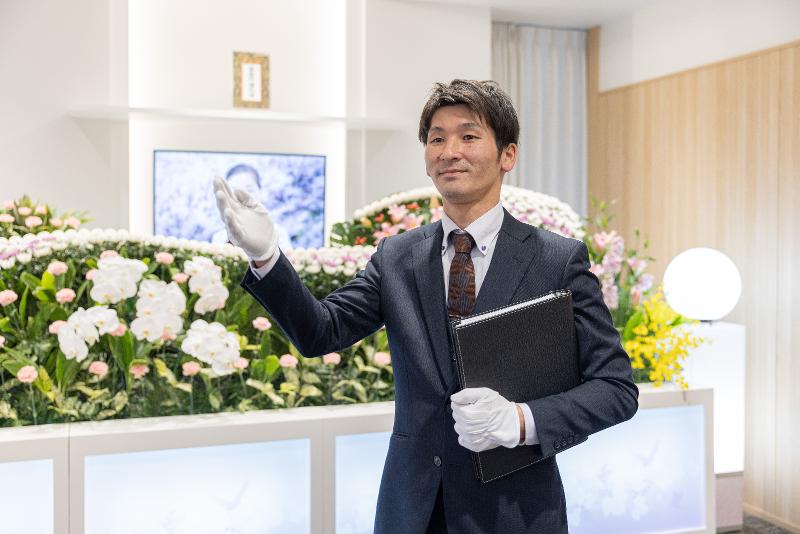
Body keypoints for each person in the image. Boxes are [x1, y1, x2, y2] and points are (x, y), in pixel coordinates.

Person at [214, 79, 638, 534]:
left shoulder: (555, 259)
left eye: (468, 136)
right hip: (412, 510)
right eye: (437, 139)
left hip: (515, 511)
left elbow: (615, 387)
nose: (449, 151)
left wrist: (521, 421)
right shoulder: (397, 257)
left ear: (508, 155)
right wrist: (266, 256)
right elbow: (322, 331)